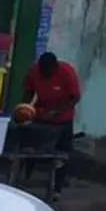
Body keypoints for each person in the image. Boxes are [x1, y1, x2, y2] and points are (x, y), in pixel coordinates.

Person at [21, 50, 83, 191]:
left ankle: (57, 187)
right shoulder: (33, 72)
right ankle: (25, 179)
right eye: (42, 72)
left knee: (62, 153)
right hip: (41, 114)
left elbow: (75, 98)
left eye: (48, 72)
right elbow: (28, 92)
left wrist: (56, 112)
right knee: (31, 149)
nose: (45, 75)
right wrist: (24, 110)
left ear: (55, 68)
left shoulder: (67, 72)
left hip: (63, 118)